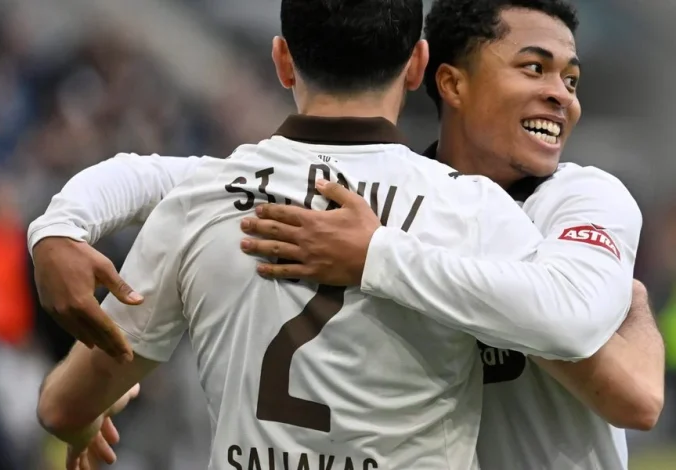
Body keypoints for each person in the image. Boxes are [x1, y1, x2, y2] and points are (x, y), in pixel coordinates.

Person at [34, 1, 631, 469]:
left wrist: (58, 228)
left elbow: (62, 408)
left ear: (282, 60)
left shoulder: (204, 201)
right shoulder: (473, 210)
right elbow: (577, 329)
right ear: (419, 65)